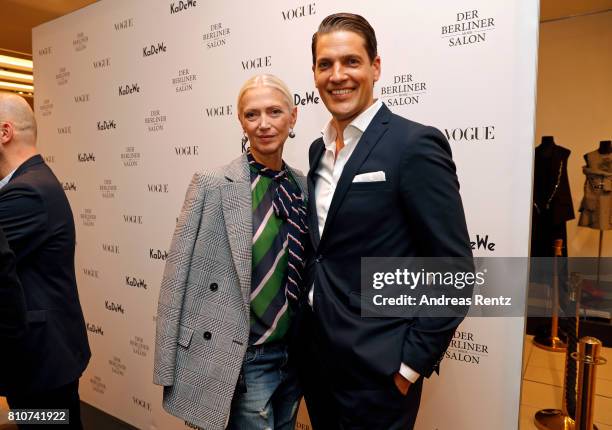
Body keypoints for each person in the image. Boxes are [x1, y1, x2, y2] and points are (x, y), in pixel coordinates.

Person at [299, 13, 472, 429]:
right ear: (315, 73)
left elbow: (454, 270)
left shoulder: (413, 144)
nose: (338, 75)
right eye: (326, 64)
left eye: (351, 61)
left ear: (375, 67)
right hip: (317, 361)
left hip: (377, 373)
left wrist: (408, 366)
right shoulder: (316, 151)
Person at [154, 74, 307, 430]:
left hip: (294, 357)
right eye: (252, 114)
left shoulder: (302, 185)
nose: (264, 124)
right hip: (242, 358)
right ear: (241, 121)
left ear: (293, 117)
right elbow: (175, 276)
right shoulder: (211, 184)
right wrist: (166, 365)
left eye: (274, 112)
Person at [0, 92, 91, 429]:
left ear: (5, 133)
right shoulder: (30, 182)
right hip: (42, 358)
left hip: (41, 361)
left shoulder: (28, 191)